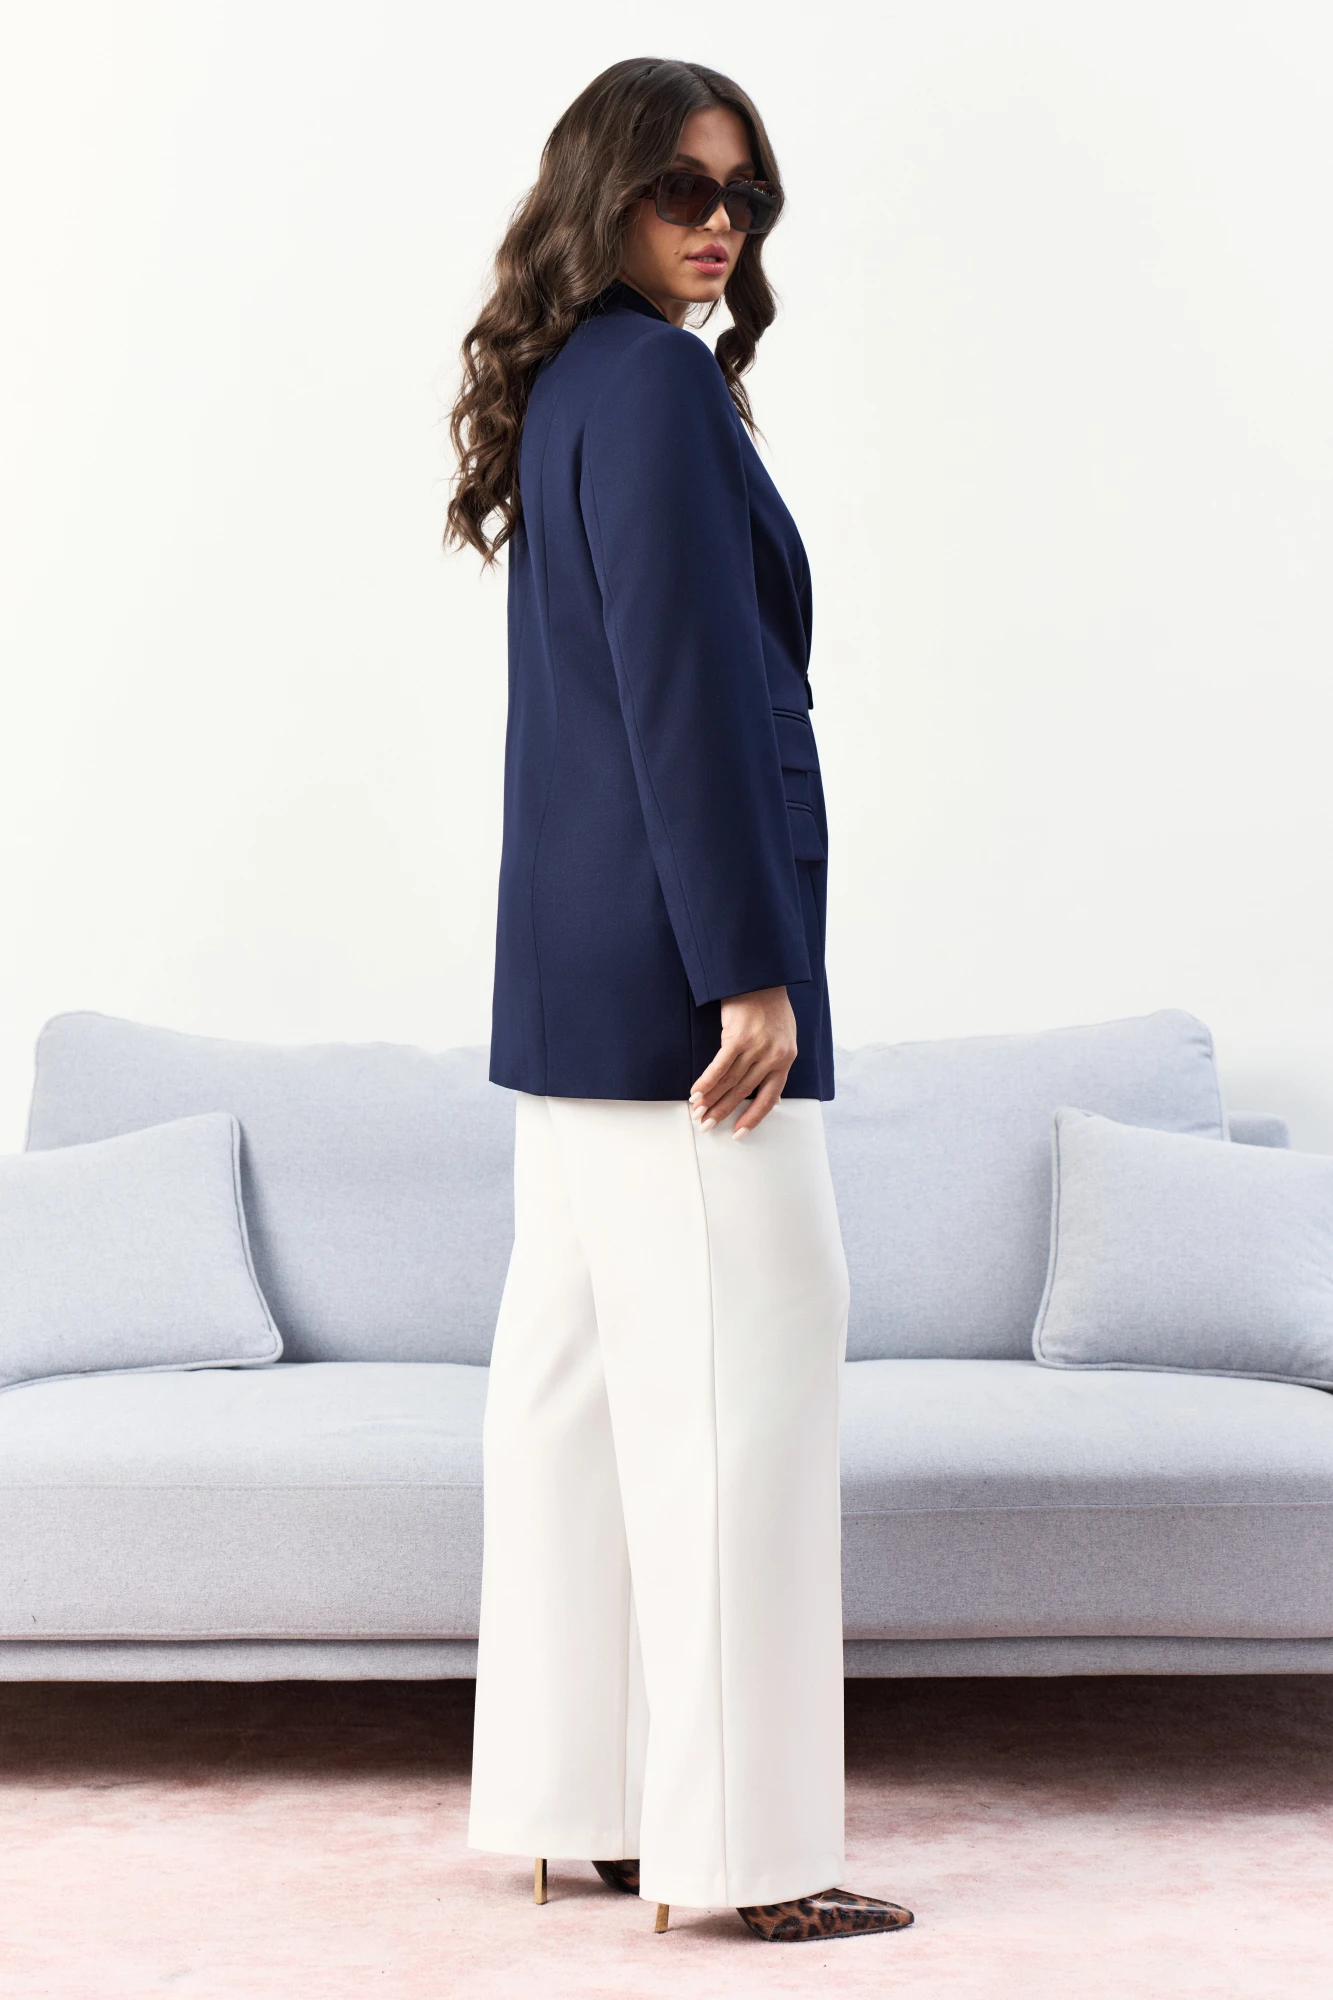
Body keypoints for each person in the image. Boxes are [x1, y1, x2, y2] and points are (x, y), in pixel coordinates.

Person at [445, 55, 913, 1945]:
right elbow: (687, 694)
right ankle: (748, 1856)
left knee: (571, 1391)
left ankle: (576, 1804)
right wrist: (750, 971)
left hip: (576, 981)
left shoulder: (576, 379)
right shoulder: (651, 388)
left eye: (744, 198)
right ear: (606, 195)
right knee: (753, 1377)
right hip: (676, 980)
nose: (720, 225)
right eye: (682, 191)